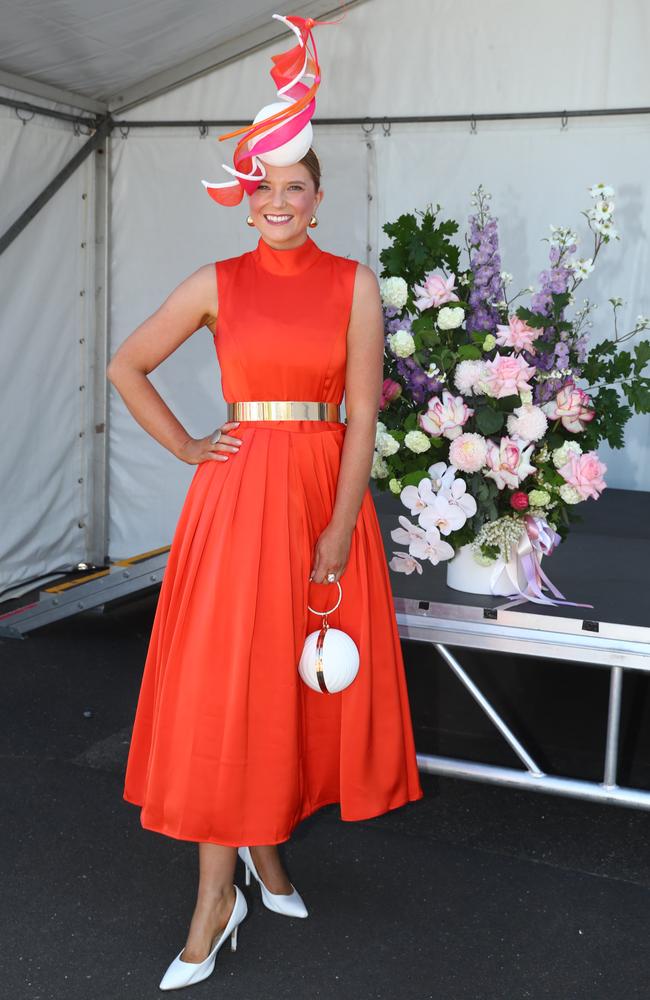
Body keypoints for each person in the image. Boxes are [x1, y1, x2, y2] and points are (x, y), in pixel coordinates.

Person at [107, 15, 423, 994]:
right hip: (235, 503)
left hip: (318, 503)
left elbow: (363, 418)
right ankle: (218, 894)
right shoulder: (215, 280)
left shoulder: (352, 286)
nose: (277, 201)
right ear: (243, 198)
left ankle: (265, 853)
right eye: (263, 188)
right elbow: (126, 364)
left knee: (292, 685)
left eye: (294, 187)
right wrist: (188, 445)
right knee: (226, 690)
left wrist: (337, 523)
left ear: (316, 198)